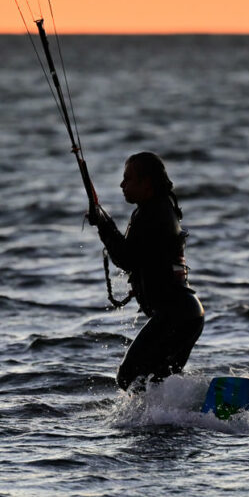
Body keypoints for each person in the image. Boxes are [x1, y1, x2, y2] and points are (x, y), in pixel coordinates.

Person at [88, 151, 204, 390]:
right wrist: (103, 221)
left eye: (127, 179)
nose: (121, 184)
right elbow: (134, 255)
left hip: (177, 314)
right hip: (187, 315)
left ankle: (154, 422)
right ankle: (176, 418)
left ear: (146, 183)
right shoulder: (153, 209)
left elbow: (126, 258)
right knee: (158, 383)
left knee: (129, 378)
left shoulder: (154, 213)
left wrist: (102, 222)